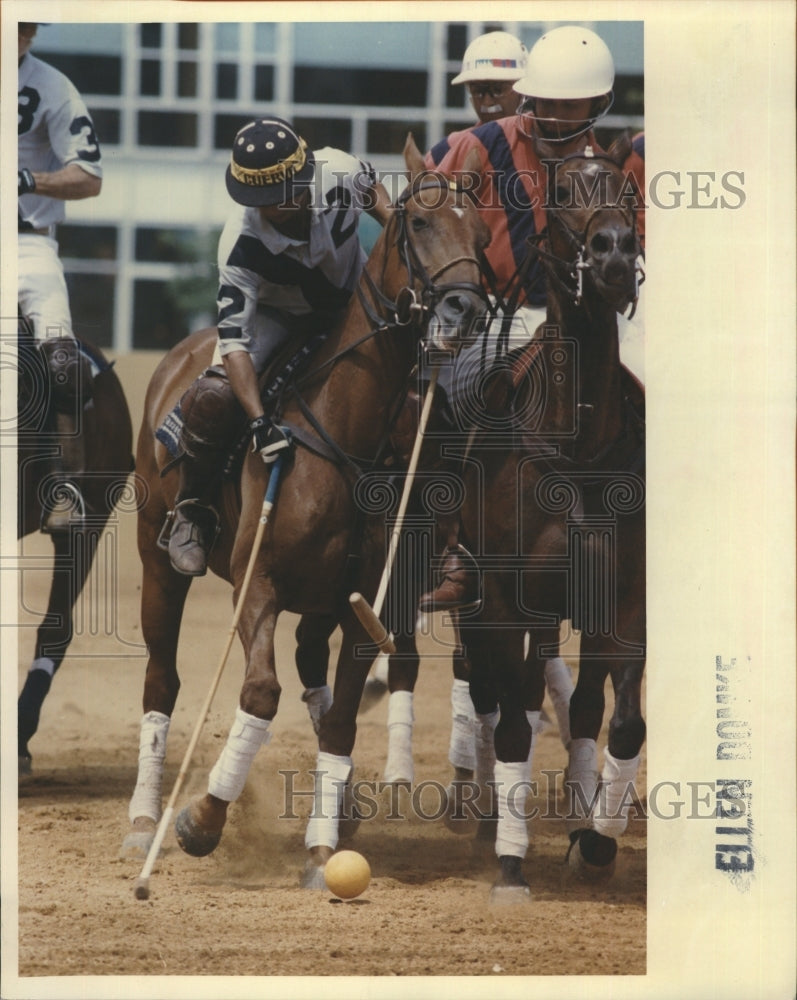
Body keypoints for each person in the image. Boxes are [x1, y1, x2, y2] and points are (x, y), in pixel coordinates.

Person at [419, 24, 644, 611]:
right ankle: (460, 549)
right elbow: (431, 222)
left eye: (573, 106)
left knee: (649, 396)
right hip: (501, 313)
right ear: (530, 95)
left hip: (590, 322)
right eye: (547, 102)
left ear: (598, 105)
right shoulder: (477, 146)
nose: (558, 116)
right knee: (460, 392)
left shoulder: (609, 165)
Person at [166, 116, 393, 577]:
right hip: (277, 316)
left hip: (353, 303)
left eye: (294, 185)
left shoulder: (341, 169)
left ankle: (444, 526)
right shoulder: (240, 243)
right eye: (274, 198)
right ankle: (192, 512)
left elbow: (376, 195)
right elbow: (234, 342)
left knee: (420, 376)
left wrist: (398, 230)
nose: (289, 200)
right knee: (213, 397)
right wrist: (258, 421)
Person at [17, 21, 103, 532]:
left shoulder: (52, 86)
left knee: (64, 361)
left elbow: (89, 177)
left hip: (26, 241)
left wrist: (29, 178)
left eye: (31, 26)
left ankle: (68, 485)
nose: (25, 32)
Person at [427, 30, 528, 166]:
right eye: (478, 90)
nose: (487, 102)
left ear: (523, 91)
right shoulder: (446, 151)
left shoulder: (546, 148)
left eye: (498, 90)